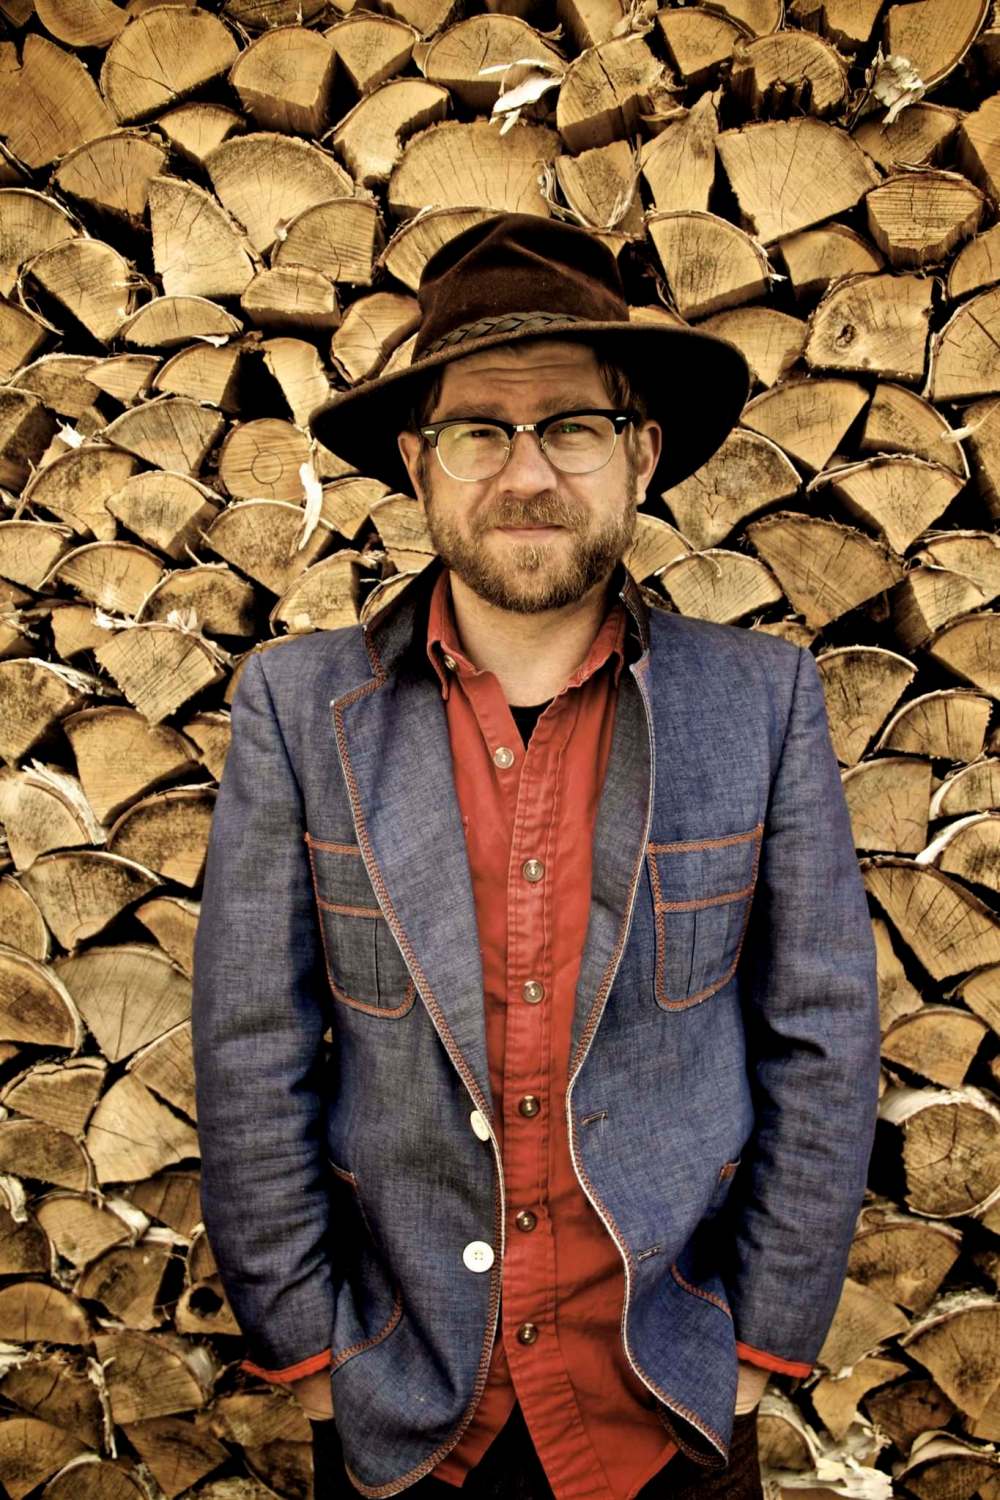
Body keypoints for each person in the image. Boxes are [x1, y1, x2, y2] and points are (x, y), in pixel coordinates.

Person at [191, 213, 881, 1500]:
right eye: (477, 430)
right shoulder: (298, 710)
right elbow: (250, 1045)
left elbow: (822, 1036)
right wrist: (313, 1351)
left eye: (572, 425)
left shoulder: (761, 703)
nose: (525, 473)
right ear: (418, 463)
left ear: (640, 454)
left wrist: (752, 1349)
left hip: (667, 1401)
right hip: (404, 1409)